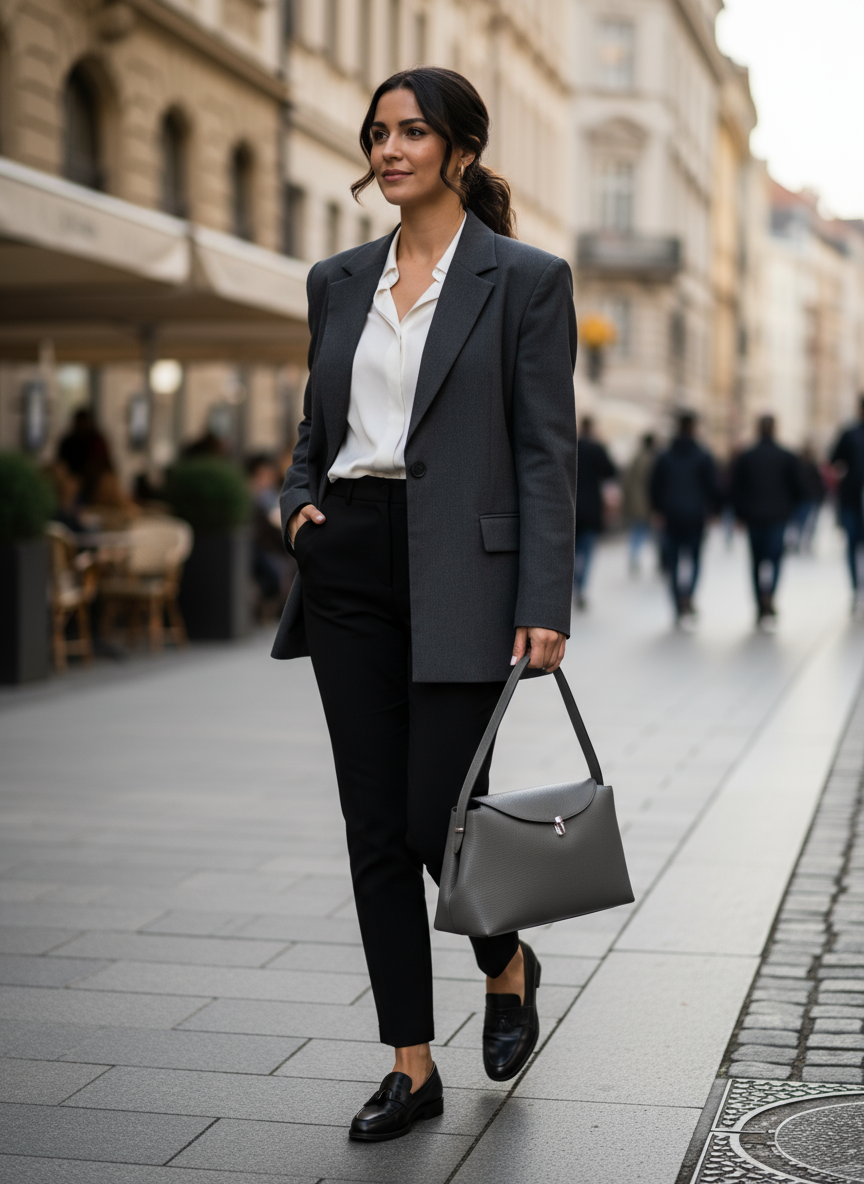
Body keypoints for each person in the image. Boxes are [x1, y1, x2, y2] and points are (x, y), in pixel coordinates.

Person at [271, 67, 577, 1141]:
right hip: (348, 558)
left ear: (461, 148)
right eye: (379, 132)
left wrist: (545, 594)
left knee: (433, 817)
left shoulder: (526, 279)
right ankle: (411, 1062)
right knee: (370, 826)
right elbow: (316, 428)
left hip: (466, 573)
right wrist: (298, 506)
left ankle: (508, 957)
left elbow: (547, 450)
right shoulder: (336, 276)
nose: (389, 148)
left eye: (412, 131)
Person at [731, 415, 807, 629]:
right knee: (774, 560)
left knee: (756, 562)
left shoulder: (746, 456)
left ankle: (760, 603)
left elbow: (735, 489)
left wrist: (739, 514)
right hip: (777, 517)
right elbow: (800, 488)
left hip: (754, 517)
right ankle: (769, 596)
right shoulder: (787, 456)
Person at [650, 411, 718, 627]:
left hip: (671, 516)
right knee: (695, 559)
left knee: (673, 563)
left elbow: (654, 486)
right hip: (695, 516)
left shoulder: (665, 455)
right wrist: (713, 511)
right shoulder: (703, 455)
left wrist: (658, 510)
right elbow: (713, 487)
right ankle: (688, 595)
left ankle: (678, 602)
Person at [571, 417, 616, 608]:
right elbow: (612, 472)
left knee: (570, 552)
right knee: (587, 553)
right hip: (591, 509)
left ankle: (571, 585)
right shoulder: (598, 449)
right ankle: (581, 588)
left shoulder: (571, 446)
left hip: (571, 508)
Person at [830, 395, 864, 607]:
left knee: (852, 546)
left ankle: (856, 588)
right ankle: (856, 588)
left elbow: (834, 460)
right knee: (852, 544)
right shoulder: (849, 433)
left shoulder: (849, 433)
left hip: (851, 498)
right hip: (852, 500)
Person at [57, 408, 112, 503]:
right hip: (74, 484)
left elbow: (100, 461)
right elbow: (61, 464)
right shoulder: (68, 442)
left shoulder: (96, 440)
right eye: (80, 422)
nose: (82, 425)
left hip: (95, 484)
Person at [621, 432, 657, 575]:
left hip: (636, 502)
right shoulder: (653, 459)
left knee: (637, 531)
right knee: (650, 533)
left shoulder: (636, 458)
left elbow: (626, 481)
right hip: (648, 503)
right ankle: (659, 561)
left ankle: (634, 557)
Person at [787, 443, 826, 554]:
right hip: (805, 498)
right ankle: (799, 542)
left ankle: (801, 542)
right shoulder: (803, 467)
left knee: (802, 522)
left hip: (807, 498)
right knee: (802, 522)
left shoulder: (806, 467)